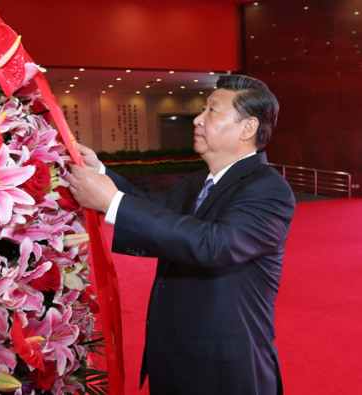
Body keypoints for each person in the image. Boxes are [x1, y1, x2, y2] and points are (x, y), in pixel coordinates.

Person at [68, 74, 296, 395]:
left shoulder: (268, 188)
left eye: (212, 111)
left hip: (223, 368)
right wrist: (101, 173)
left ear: (248, 128)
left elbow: (216, 244)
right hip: (174, 356)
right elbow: (155, 211)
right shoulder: (197, 182)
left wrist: (112, 201)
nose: (198, 119)